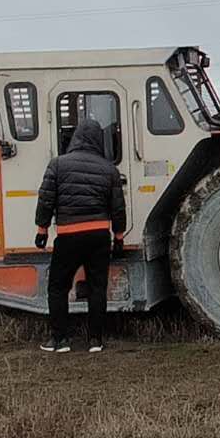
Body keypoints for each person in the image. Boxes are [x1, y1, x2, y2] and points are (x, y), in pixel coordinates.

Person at [33, 118, 126, 353]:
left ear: (75, 138)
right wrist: (119, 237)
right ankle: (95, 340)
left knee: (58, 287)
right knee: (97, 287)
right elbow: (118, 208)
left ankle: (60, 340)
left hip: (68, 235)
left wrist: (42, 230)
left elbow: (46, 200)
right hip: (98, 236)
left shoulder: (58, 164)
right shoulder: (109, 169)